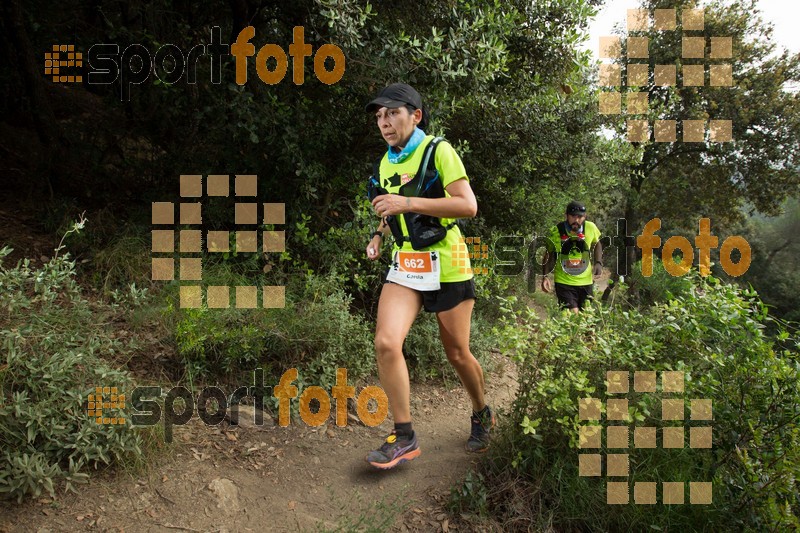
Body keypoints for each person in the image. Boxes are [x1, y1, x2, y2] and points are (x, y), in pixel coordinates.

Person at [363, 83, 494, 469]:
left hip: (449, 263)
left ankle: (481, 411)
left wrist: (408, 201)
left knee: (456, 352)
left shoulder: (439, 150)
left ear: (415, 115)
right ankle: (404, 436)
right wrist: (377, 235)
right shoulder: (385, 164)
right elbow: (390, 211)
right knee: (387, 342)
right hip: (407, 264)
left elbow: (467, 205)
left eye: (392, 113)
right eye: (379, 117)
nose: (384, 123)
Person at [541, 201, 603, 312]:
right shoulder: (555, 231)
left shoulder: (590, 227)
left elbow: (597, 243)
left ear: (585, 217)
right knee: (574, 316)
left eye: (580, 217)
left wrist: (598, 262)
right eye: (573, 216)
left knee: (587, 321)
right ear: (566, 216)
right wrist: (545, 276)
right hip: (564, 282)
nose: (577, 220)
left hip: (586, 282)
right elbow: (549, 255)